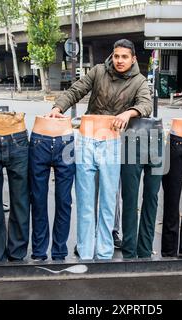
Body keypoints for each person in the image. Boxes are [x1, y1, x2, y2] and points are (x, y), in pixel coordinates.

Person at [48, 39, 152, 258]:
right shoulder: (98, 71)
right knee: (87, 195)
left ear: (133, 59)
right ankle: (86, 243)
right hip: (89, 137)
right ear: (112, 56)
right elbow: (76, 90)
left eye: (124, 57)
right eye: (116, 56)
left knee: (110, 195)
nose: (120, 61)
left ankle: (109, 237)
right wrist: (58, 107)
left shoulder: (139, 81)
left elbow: (146, 104)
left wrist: (129, 112)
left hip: (114, 141)